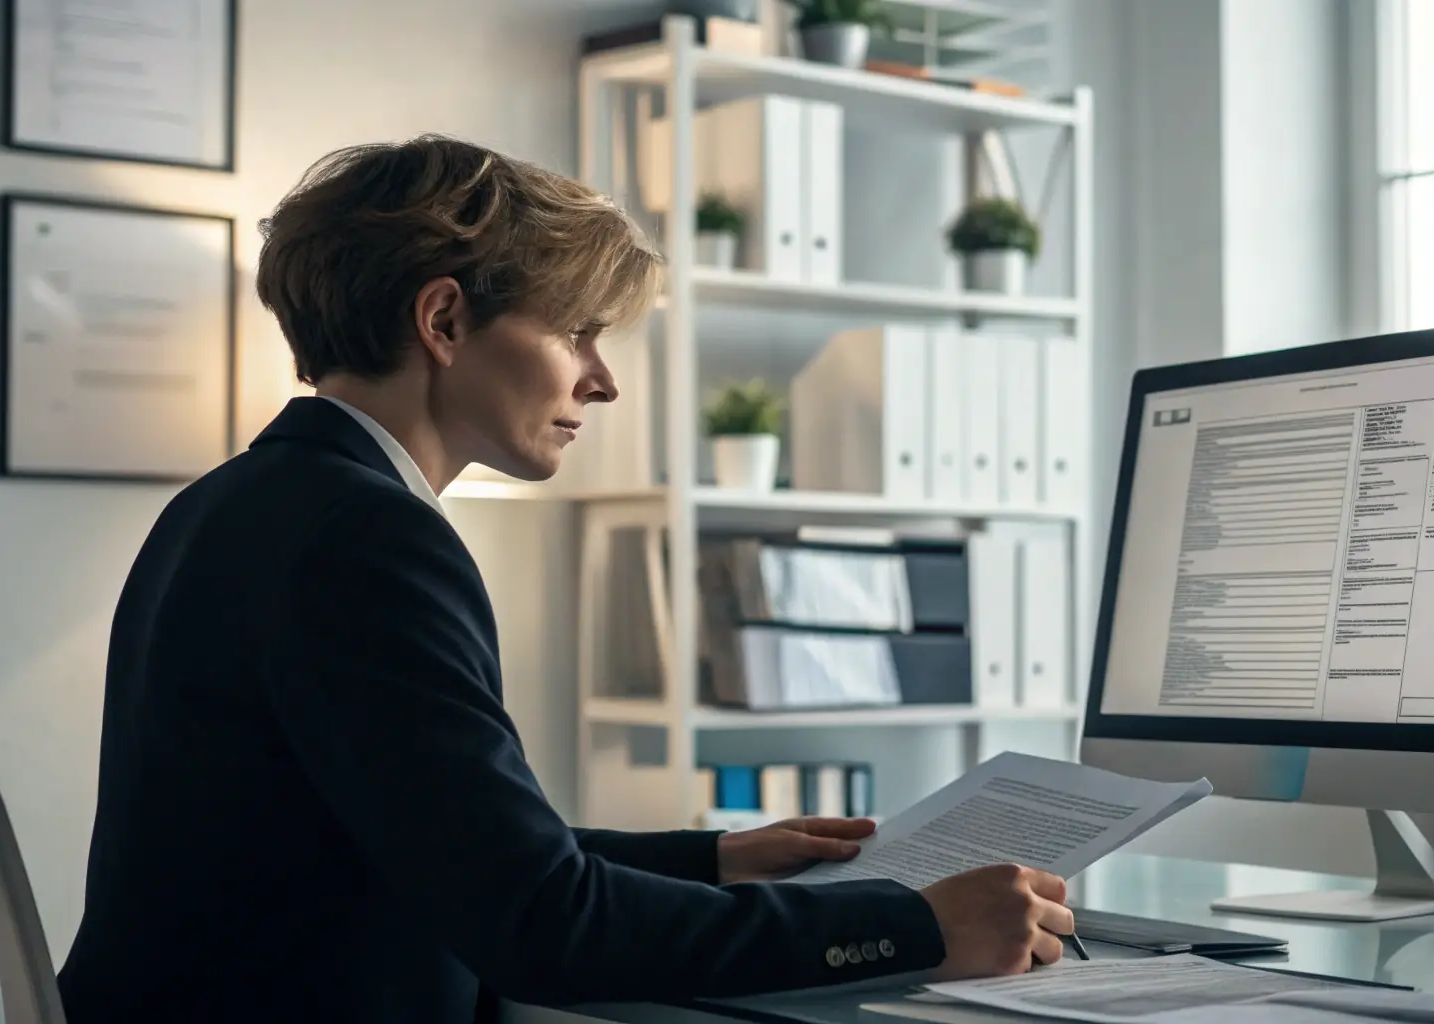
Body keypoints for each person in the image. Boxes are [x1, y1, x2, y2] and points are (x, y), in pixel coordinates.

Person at [55, 136, 1074, 1024]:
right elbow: (541, 924)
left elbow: (440, 844)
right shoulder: (366, 538)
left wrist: (714, 860)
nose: (602, 376)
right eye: (575, 329)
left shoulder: (238, 502)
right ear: (444, 320)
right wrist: (911, 924)